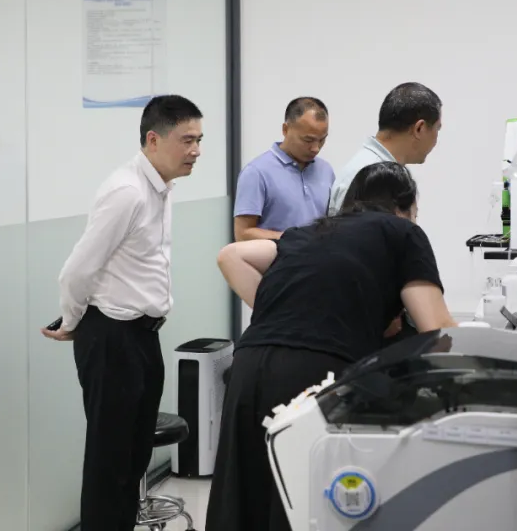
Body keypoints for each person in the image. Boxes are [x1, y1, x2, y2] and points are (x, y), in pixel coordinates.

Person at [205, 161, 456, 531]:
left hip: (248, 364)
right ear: (404, 208)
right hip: (313, 373)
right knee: (304, 500)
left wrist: (290, 310)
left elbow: (231, 255)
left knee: (244, 497)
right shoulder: (403, 232)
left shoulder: (309, 231)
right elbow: (437, 330)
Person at [41, 95, 203, 531]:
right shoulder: (127, 192)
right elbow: (77, 270)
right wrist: (73, 321)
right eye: (187, 140)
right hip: (112, 336)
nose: (196, 150)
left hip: (142, 336)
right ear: (154, 139)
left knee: (132, 459)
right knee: (109, 462)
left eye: (199, 140)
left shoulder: (160, 188)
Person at [329, 81, 443, 215]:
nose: (436, 139)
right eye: (437, 129)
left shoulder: (374, 170)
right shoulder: (368, 179)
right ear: (419, 128)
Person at [233, 97, 334, 241]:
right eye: (308, 140)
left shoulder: (326, 170)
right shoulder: (256, 173)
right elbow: (243, 234)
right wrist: (295, 239)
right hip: (279, 255)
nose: (316, 148)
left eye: (322, 140)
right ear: (285, 130)